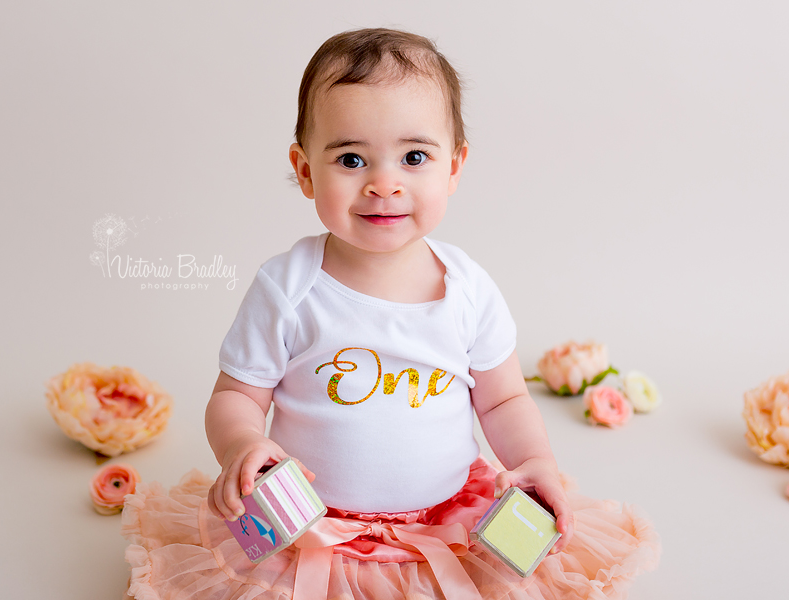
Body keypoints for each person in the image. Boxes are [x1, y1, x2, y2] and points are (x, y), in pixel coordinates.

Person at [122, 27, 659, 600]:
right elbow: (236, 395)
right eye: (351, 158)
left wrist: (535, 461)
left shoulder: (468, 290)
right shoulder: (288, 288)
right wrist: (241, 446)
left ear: (453, 167)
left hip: (448, 518)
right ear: (305, 171)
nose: (384, 184)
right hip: (306, 521)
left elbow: (503, 398)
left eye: (414, 157)